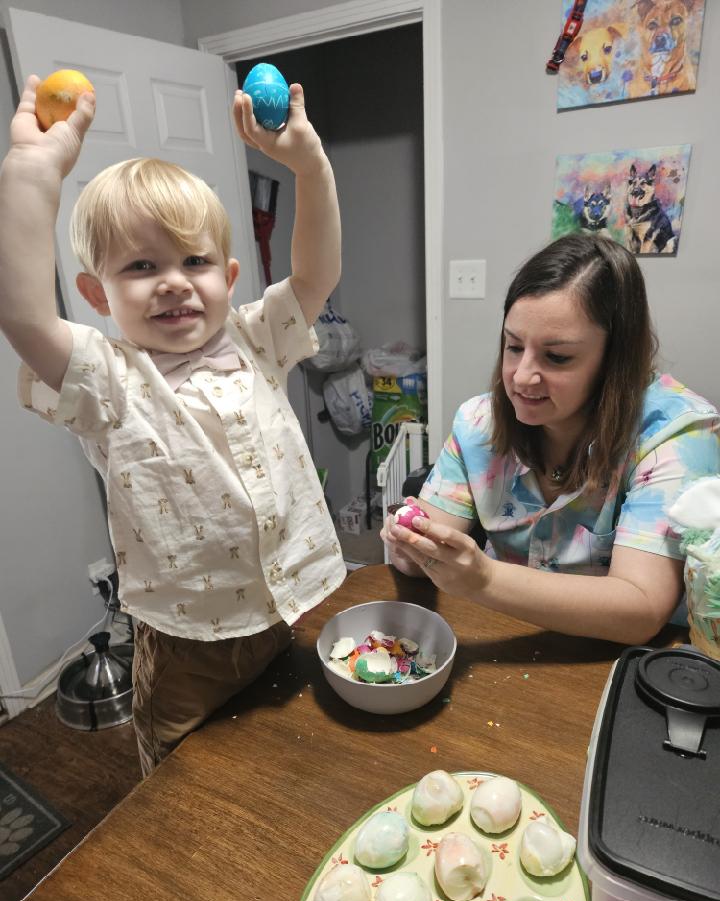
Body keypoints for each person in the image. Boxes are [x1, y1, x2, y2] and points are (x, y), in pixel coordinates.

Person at [0, 76, 345, 775]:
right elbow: (24, 316)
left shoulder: (256, 340)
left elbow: (315, 276)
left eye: (195, 261)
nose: (174, 281)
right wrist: (32, 173)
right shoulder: (107, 379)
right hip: (187, 648)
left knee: (285, 762)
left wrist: (310, 166)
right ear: (97, 294)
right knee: (188, 788)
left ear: (229, 275)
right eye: (141, 266)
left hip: (282, 613)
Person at [382, 233, 720, 645]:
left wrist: (483, 579)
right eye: (513, 346)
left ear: (614, 360)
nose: (522, 377)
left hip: (612, 660)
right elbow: (429, 552)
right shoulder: (478, 422)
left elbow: (641, 609)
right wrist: (411, 549)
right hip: (496, 638)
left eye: (557, 357)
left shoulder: (677, 433)